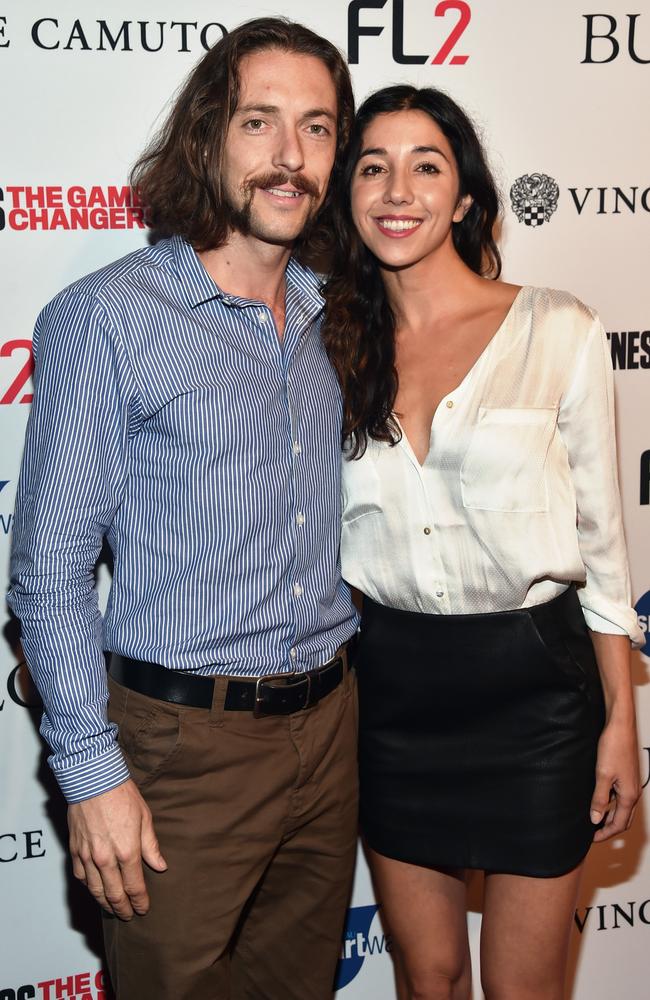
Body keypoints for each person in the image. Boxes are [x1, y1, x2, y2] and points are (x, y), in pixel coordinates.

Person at [8, 18, 359, 1000]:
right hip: (179, 751)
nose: (290, 156)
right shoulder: (108, 317)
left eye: (319, 127)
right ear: (208, 138)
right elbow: (50, 570)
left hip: (331, 730)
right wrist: (90, 771)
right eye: (260, 122)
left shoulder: (337, 314)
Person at [322, 85, 643, 1000]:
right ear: (347, 192)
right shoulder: (327, 347)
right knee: (428, 982)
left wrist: (621, 723)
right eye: (373, 165)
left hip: (536, 701)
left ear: (464, 197)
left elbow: (605, 547)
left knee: (523, 993)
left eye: (427, 165)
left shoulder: (559, 329)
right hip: (389, 697)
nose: (398, 188)